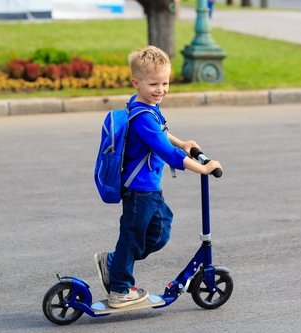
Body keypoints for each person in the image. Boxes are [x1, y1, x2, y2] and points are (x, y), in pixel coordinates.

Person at [94, 45, 222, 309]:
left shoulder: (146, 105)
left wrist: (184, 142)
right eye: (153, 84)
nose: (160, 89)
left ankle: (114, 262)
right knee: (132, 237)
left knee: (160, 232)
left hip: (150, 188)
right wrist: (204, 168)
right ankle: (119, 289)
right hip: (139, 189)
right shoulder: (142, 116)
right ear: (136, 82)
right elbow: (166, 152)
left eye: (165, 83)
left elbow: (162, 134)